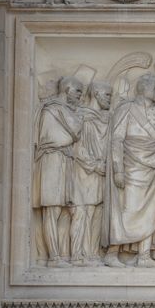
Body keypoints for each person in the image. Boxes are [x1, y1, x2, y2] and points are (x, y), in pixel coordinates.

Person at [106, 73, 155, 268]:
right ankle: (112, 252)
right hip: (132, 164)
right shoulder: (127, 108)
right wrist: (118, 169)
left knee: (153, 209)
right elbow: (117, 139)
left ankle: (144, 255)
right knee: (129, 209)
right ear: (143, 88)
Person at [33, 76, 86, 267]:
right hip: (51, 163)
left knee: (79, 210)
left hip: (67, 163)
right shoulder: (50, 110)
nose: (81, 96)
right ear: (67, 89)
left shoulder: (68, 111)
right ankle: (53, 257)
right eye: (78, 91)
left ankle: (76, 255)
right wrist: (73, 130)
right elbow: (55, 137)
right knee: (52, 210)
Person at [69, 80, 110, 267]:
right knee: (81, 212)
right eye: (107, 95)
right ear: (96, 94)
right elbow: (77, 148)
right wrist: (94, 165)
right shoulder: (82, 117)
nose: (110, 99)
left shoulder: (107, 119)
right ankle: (77, 254)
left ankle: (92, 253)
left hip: (101, 173)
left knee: (96, 212)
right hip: (84, 172)